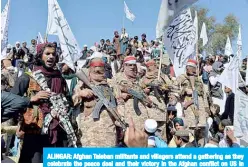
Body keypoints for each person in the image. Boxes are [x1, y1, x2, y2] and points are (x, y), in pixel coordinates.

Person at [11, 43, 76, 162]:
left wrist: (62, 107)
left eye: (54, 54)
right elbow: (11, 101)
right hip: (35, 131)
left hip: (58, 130)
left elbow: (69, 100)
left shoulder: (59, 78)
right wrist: (31, 99)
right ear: (40, 56)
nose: (51, 57)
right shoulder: (28, 77)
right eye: (47, 54)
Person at [72, 57, 117, 147]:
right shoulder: (82, 83)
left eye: (100, 68)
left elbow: (118, 103)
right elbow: (73, 101)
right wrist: (81, 93)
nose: (98, 72)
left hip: (107, 130)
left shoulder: (110, 83)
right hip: (89, 130)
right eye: (95, 69)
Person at [176, 59, 209, 128]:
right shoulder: (182, 77)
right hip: (188, 104)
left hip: (200, 105)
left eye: (192, 68)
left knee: (201, 128)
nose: (189, 69)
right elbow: (174, 89)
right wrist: (184, 90)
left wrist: (206, 108)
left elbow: (204, 94)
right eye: (188, 67)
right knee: (191, 127)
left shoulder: (199, 79)